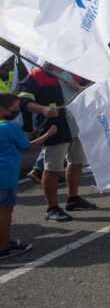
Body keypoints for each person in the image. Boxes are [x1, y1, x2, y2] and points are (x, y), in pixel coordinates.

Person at [18, 63, 96, 222]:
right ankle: (51, 208)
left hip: (76, 126)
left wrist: (78, 87)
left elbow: (89, 93)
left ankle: (73, 198)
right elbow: (22, 101)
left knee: (77, 163)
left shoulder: (74, 73)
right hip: (54, 127)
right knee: (52, 168)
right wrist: (42, 109)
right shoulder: (37, 75)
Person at [0, 93, 57, 259]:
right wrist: (48, 134)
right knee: (5, 211)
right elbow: (27, 146)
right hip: (6, 174)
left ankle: (4, 240)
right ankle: (3, 247)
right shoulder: (10, 127)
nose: (17, 111)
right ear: (2, 110)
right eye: (14, 109)